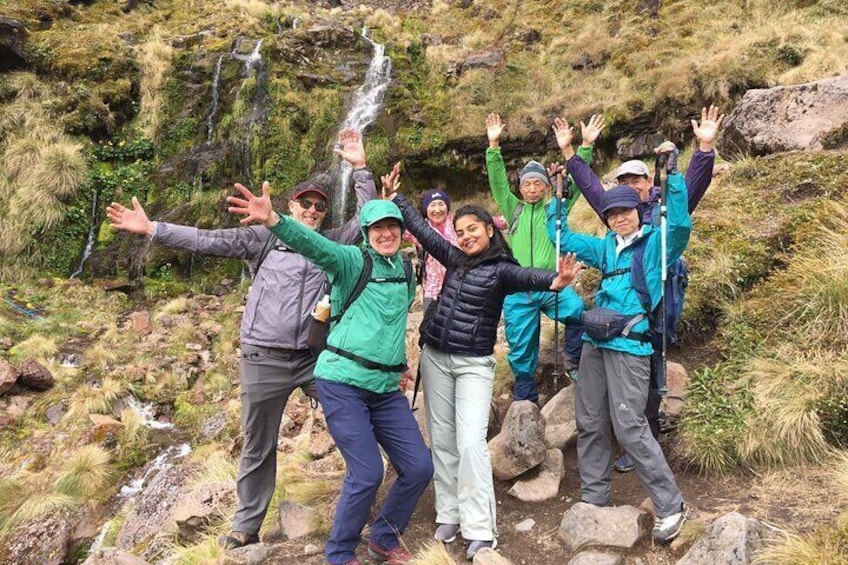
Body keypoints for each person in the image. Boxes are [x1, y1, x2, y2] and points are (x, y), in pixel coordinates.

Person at [105, 128, 376, 551]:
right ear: (290, 206)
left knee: (355, 418)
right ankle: (246, 526)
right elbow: (206, 241)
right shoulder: (263, 238)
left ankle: (364, 502)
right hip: (263, 356)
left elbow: (371, 216)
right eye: (306, 203)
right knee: (258, 445)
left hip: (315, 356)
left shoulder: (334, 242)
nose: (313, 210)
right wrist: (152, 228)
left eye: (320, 207)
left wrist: (360, 169)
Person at [227, 181, 433, 565]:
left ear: (402, 232)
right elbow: (314, 245)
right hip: (342, 382)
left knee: (420, 467)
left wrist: (398, 364)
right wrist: (273, 219)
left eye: (393, 227)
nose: (386, 234)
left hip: (385, 386)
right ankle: (338, 553)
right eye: (377, 228)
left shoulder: (406, 271)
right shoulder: (351, 260)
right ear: (366, 234)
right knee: (368, 472)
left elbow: (391, 323)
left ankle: (384, 538)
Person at [383, 167, 583, 560]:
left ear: (490, 230)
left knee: (471, 443)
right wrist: (396, 200)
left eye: (473, 228)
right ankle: (450, 511)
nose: (465, 236)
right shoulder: (453, 259)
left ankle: (479, 526)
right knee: (442, 440)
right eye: (460, 231)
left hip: (473, 363)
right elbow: (423, 232)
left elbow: (530, 276)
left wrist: (556, 282)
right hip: (436, 357)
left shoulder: (502, 270)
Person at [548, 116, 691, 543]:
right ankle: (595, 497)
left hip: (631, 345)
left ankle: (671, 505)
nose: (618, 219)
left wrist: (675, 177)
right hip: (595, 341)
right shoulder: (605, 246)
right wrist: (559, 198)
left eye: (625, 211)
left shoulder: (655, 245)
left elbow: (681, 226)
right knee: (590, 419)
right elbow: (560, 235)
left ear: (638, 210)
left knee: (630, 427)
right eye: (611, 213)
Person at [558, 106, 724, 472]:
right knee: (633, 361)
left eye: (636, 180)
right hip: (626, 301)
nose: (630, 186)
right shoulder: (619, 212)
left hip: (660, 294)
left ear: (649, 181)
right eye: (623, 181)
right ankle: (635, 439)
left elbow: (693, 186)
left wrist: (704, 149)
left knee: (653, 359)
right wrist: (572, 153)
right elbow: (589, 187)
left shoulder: (663, 205)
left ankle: (646, 439)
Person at [485, 112, 604, 403]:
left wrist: (584, 147)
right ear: (521, 188)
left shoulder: (557, 208)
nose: (533, 189)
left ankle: (573, 359)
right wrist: (493, 145)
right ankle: (526, 400)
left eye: (538, 184)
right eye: (528, 184)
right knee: (521, 349)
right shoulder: (513, 209)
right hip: (519, 289)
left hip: (555, 284)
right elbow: (498, 181)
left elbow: (580, 181)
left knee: (578, 314)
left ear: (547, 187)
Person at [401, 182, 457, 314]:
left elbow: (485, 222)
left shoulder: (458, 223)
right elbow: (396, 227)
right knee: (431, 332)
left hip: (461, 289)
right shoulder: (420, 229)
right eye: (432, 205)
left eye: (441, 204)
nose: (437, 209)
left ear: (447, 207)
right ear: (426, 209)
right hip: (433, 291)